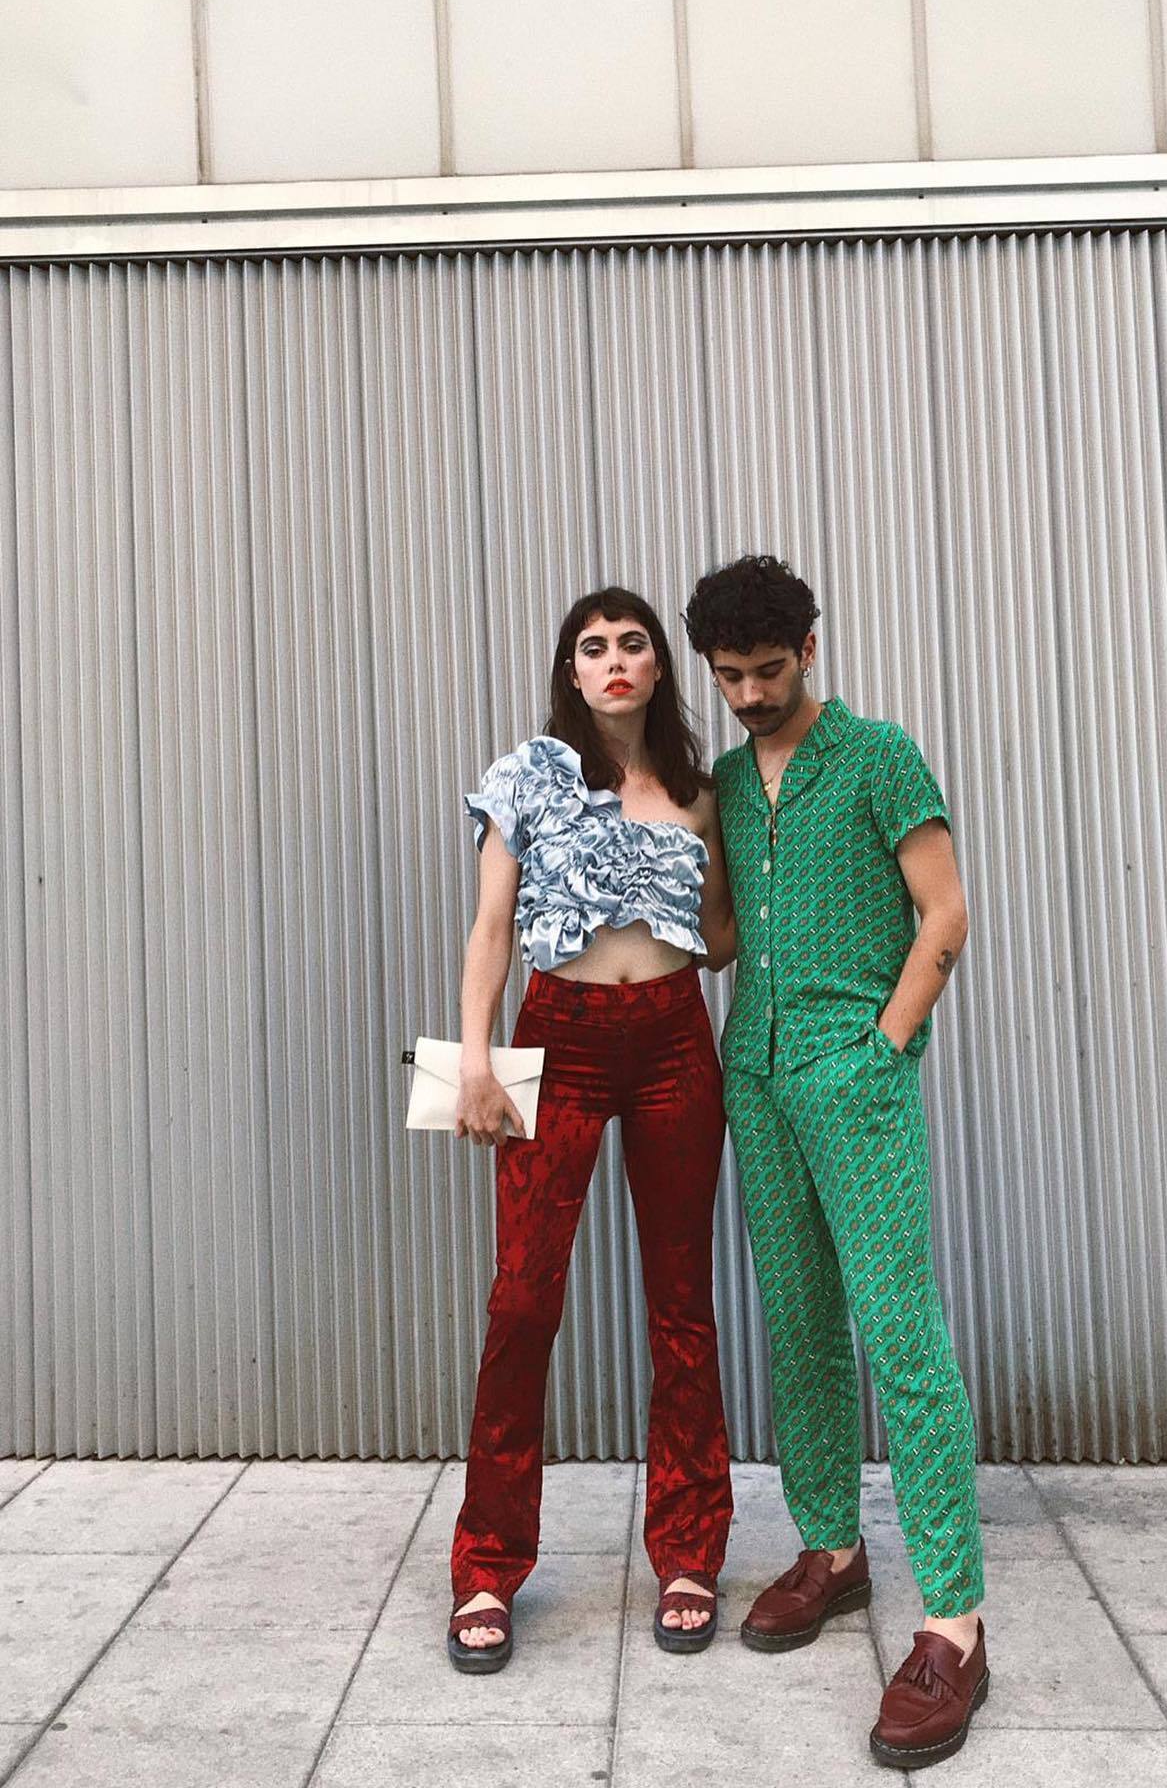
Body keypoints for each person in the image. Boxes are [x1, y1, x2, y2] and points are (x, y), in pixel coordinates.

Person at [684, 555, 987, 1769]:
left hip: (853, 1076)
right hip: (753, 1075)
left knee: (901, 1337)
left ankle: (954, 1622)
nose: (750, 695)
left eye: (767, 670)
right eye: (729, 677)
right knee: (800, 1326)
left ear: (809, 647)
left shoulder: (878, 756)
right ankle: (832, 1548)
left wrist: (884, 1047)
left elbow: (945, 912)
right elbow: (718, 940)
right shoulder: (724, 779)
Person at [447, 587, 735, 1672]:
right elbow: (491, 927)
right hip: (555, 1036)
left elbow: (719, 937)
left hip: (672, 1039)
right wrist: (477, 1060)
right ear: (571, 671)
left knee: (681, 1303)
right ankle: (486, 1566)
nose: (615, 660)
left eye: (634, 645)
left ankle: (690, 1552)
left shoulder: (701, 795)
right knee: (523, 1300)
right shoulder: (529, 776)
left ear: (659, 668)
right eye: (594, 646)